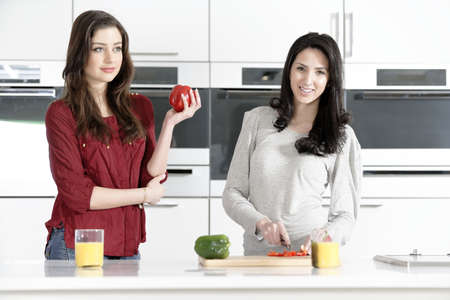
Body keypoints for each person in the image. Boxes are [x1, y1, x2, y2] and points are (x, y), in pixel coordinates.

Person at [44, 10, 201, 260]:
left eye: (117, 48)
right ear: (80, 52)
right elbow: (77, 194)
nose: (110, 58)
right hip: (78, 245)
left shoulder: (139, 107)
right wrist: (144, 196)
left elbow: (149, 175)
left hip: (127, 245)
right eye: (98, 49)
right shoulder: (62, 113)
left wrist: (170, 124)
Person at [222, 33, 361, 255]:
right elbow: (232, 193)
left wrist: (325, 236)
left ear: (330, 79)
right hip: (257, 261)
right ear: (289, 70)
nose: (307, 80)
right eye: (301, 68)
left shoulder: (341, 136)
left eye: (319, 72)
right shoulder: (257, 120)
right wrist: (261, 223)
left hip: (309, 260)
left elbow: (346, 215)